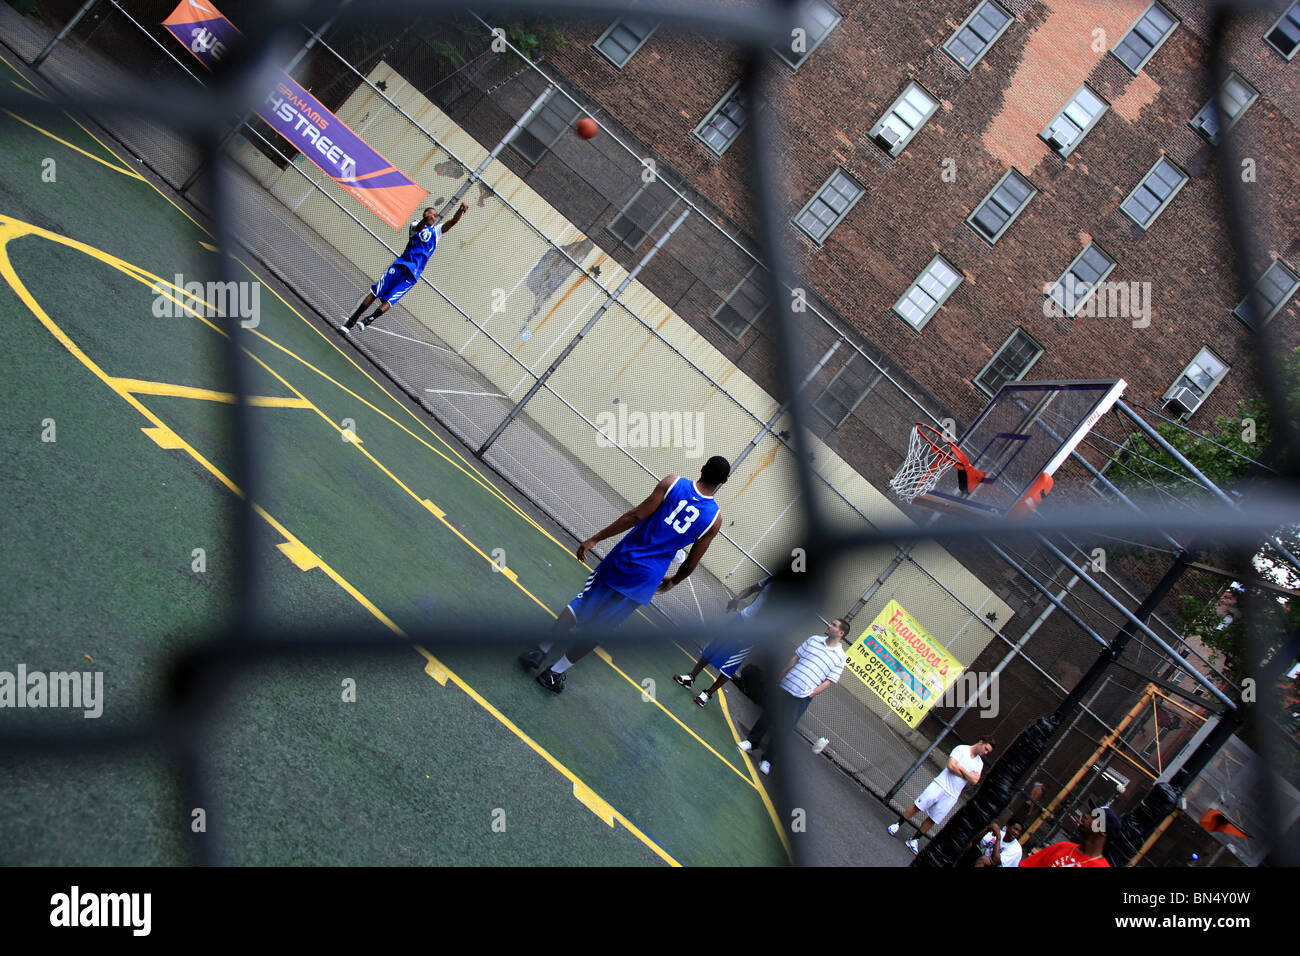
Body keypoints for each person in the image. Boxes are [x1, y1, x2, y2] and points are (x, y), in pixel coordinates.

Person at [519, 456, 730, 694]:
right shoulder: (714, 519)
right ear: (723, 481)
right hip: (646, 578)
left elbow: (635, 516)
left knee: (582, 604)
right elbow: (691, 563)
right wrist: (673, 581)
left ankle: (540, 650)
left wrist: (596, 538)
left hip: (625, 558)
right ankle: (554, 673)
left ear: (702, 468)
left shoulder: (673, 483)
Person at [737, 618, 848, 775]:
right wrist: (781, 676)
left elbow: (829, 681)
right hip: (786, 686)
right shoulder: (814, 640)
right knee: (767, 716)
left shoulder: (840, 657)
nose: (829, 626)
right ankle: (751, 742)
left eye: (834, 626)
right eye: (831, 623)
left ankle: (767, 760)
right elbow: (795, 658)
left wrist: (810, 694)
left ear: (841, 633)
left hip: (802, 696)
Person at [343, 203, 467, 332]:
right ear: (424, 214)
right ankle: (351, 321)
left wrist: (460, 211)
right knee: (376, 291)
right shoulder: (415, 224)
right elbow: (418, 228)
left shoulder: (436, 232)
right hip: (401, 265)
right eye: (430, 213)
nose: (432, 216)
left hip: (412, 274)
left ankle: (369, 319)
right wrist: (425, 219)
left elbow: (452, 222)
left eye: (435, 215)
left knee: (391, 299)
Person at [673, 574, 772, 707]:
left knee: (731, 664)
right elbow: (751, 589)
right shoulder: (772, 579)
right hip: (741, 619)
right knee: (713, 647)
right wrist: (736, 599)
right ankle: (690, 678)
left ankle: (708, 693)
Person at [888, 737, 995, 855]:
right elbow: (951, 766)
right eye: (985, 749)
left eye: (988, 752)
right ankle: (897, 825)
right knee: (918, 806)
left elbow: (974, 780)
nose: (985, 753)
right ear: (980, 742)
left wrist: (961, 769)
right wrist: (967, 774)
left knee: (933, 818)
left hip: (952, 794)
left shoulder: (979, 764)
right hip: (940, 785)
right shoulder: (961, 749)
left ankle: (914, 840)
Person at [1019, 807, 1118, 867]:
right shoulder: (1063, 846)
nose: (1086, 816)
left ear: (1103, 832)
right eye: (1089, 813)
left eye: (1094, 816)